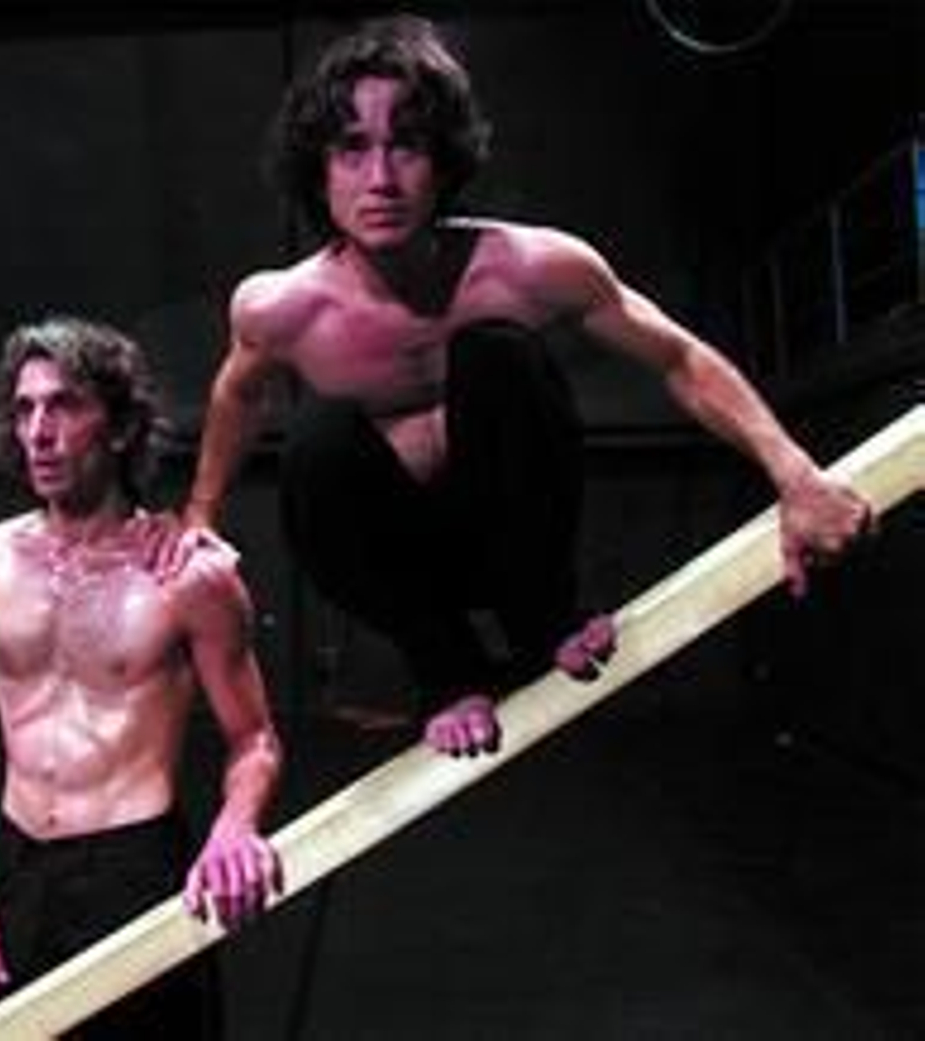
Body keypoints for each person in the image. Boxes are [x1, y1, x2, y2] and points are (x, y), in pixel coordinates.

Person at [164, 15, 873, 759]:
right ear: (319, 169)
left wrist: (797, 476)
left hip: (517, 540)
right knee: (319, 436)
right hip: (399, 568)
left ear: (444, 160)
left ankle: (542, 621)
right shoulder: (281, 308)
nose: (381, 179)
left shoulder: (531, 267)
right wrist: (201, 515)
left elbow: (679, 359)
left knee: (496, 352)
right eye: (352, 149)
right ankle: (445, 669)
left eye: (407, 145)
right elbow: (238, 397)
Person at [0, 315, 284, 1038]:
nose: (39, 432)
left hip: (137, 871)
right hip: (22, 870)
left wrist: (236, 823)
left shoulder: (190, 577)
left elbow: (255, 739)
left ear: (123, 427)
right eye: (25, 409)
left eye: (64, 406)